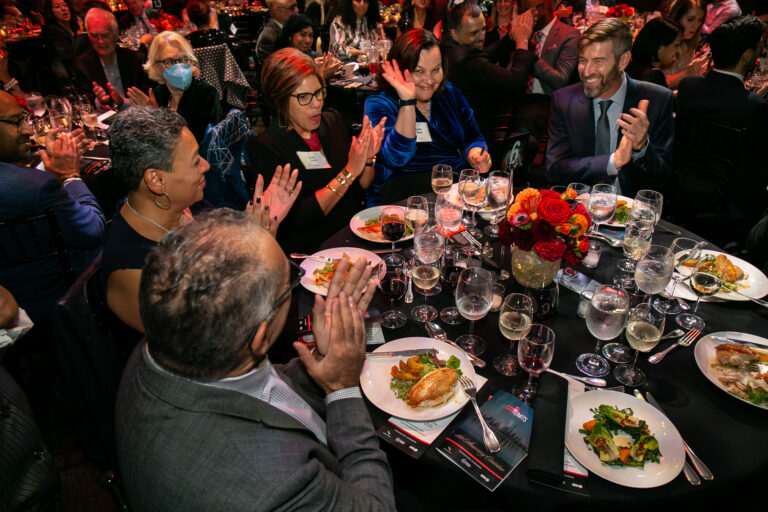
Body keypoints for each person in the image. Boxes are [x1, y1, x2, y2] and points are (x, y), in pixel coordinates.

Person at [115, 209, 396, 511]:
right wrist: (342, 388)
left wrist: (322, 360)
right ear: (260, 338)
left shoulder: (165, 338)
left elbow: (263, 383)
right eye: (289, 282)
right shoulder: (275, 480)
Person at [246, 48, 383, 254]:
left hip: (353, 235)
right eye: (304, 97)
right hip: (311, 251)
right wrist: (349, 172)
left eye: (319, 93)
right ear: (279, 99)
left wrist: (368, 158)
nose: (316, 104)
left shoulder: (331, 121)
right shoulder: (266, 146)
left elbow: (361, 186)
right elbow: (302, 217)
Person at [0, 91, 105, 325]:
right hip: (65, 300)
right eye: (17, 122)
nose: (28, 130)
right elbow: (93, 229)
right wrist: (69, 175)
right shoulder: (36, 188)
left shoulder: (28, 185)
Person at [546, 18, 674, 197]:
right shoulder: (564, 100)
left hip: (630, 211)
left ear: (623, 61)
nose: (587, 71)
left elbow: (660, 180)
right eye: (583, 60)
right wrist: (612, 161)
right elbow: (555, 171)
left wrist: (642, 148)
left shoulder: (657, 101)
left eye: (598, 61)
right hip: (579, 211)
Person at [364, 29, 491, 205]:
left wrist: (475, 153)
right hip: (399, 198)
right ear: (401, 70)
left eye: (436, 70)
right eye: (419, 71)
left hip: (450, 191)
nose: (429, 80)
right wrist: (407, 103)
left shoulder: (449, 93)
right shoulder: (379, 103)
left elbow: (473, 136)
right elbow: (396, 158)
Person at [675, 15, 768, 247]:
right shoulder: (753, 107)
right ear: (747, 55)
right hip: (726, 205)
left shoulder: (689, 87)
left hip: (679, 189)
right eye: (759, 47)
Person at [440, 2, 535, 136]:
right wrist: (522, 41)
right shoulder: (467, 60)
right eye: (474, 33)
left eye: (483, 29)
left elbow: (485, 54)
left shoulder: (449, 46)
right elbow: (516, 82)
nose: (481, 36)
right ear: (454, 34)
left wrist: (511, 37)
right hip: (473, 137)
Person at [125, 31, 223, 142]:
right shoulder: (158, 93)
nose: (179, 67)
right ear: (157, 66)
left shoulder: (205, 93)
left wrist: (155, 115)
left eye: (183, 59)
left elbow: (192, 143)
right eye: (171, 61)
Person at [73, 7, 152, 106]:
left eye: (105, 35)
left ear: (115, 33)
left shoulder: (134, 59)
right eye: (94, 36)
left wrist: (123, 102)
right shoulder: (83, 65)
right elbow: (84, 104)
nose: (100, 41)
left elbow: (148, 99)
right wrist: (100, 101)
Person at [521, 0, 580, 95]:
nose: (524, 16)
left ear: (544, 8)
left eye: (529, 11)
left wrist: (531, 54)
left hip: (549, 101)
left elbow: (560, 81)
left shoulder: (569, 35)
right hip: (520, 99)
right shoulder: (525, 32)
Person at [275, 14, 343, 78]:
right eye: (303, 34)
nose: (308, 40)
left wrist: (331, 62)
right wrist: (321, 75)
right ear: (290, 36)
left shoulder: (308, 52)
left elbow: (318, 58)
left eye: (310, 36)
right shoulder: (281, 59)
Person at [626, 17, 684, 88]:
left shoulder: (631, 66)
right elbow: (660, 97)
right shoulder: (652, 76)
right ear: (659, 44)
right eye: (676, 45)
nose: (678, 50)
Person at [666, 0, 710, 88]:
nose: (696, 26)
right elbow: (655, 87)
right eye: (690, 20)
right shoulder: (663, 43)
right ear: (677, 17)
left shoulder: (691, 43)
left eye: (700, 20)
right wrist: (687, 73)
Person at [43, 0, 79, 82]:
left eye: (64, 5)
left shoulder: (74, 26)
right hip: (67, 72)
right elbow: (67, 56)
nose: (63, 9)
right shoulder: (53, 30)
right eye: (57, 7)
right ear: (51, 12)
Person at [256, 0, 299, 65]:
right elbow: (277, 70)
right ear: (277, 11)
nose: (297, 10)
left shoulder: (293, 27)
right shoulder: (268, 37)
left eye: (296, 6)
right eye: (291, 7)